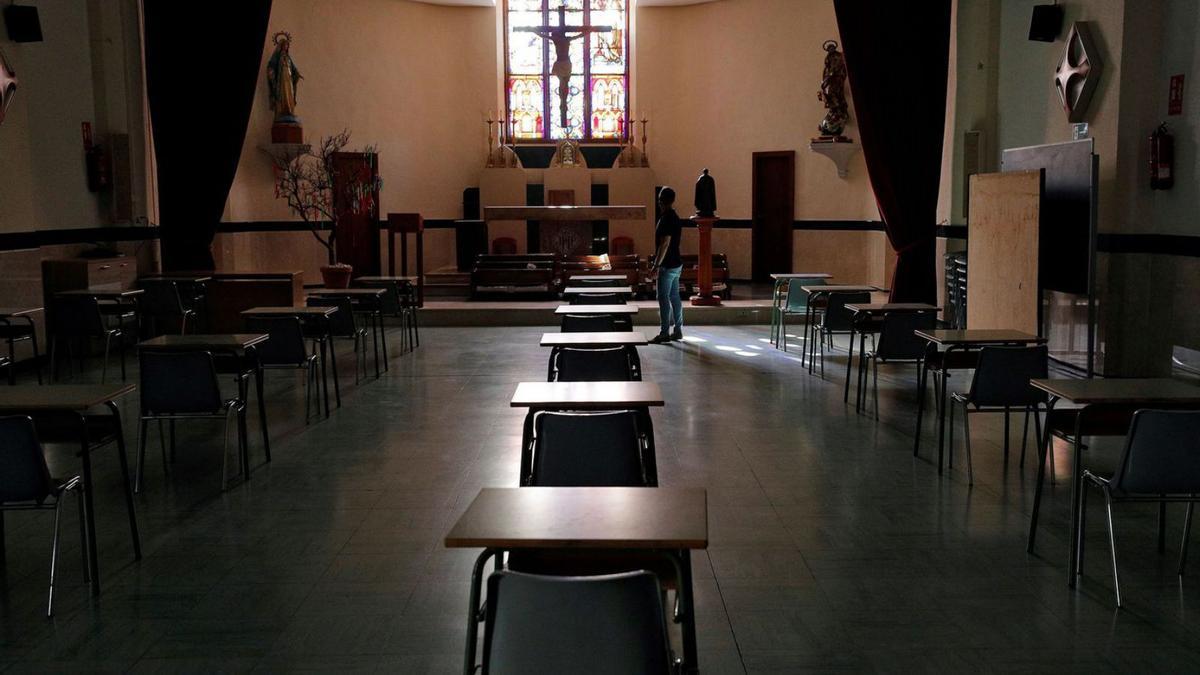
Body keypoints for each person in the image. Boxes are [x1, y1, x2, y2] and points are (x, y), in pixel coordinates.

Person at [649, 187, 684, 343]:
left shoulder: (666, 218)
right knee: (675, 297)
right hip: (677, 263)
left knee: (663, 298)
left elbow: (665, 243)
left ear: (660, 200)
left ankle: (664, 333)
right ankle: (678, 330)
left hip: (667, 265)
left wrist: (656, 265)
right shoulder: (675, 217)